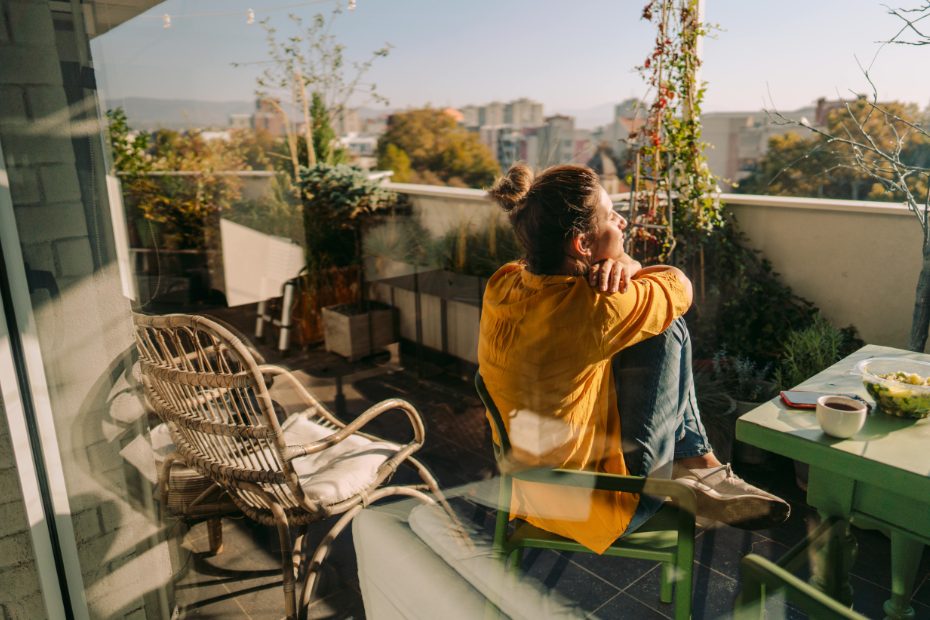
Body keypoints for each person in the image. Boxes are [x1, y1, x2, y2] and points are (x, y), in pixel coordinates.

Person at [477, 163, 789, 554]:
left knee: (641, 329)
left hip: (526, 491)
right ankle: (698, 466)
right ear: (581, 244)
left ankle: (699, 467)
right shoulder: (597, 308)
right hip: (597, 503)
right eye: (611, 216)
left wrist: (622, 265)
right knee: (667, 327)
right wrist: (628, 266)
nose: (622, 221)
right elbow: (681, 287)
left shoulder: (503, 283)